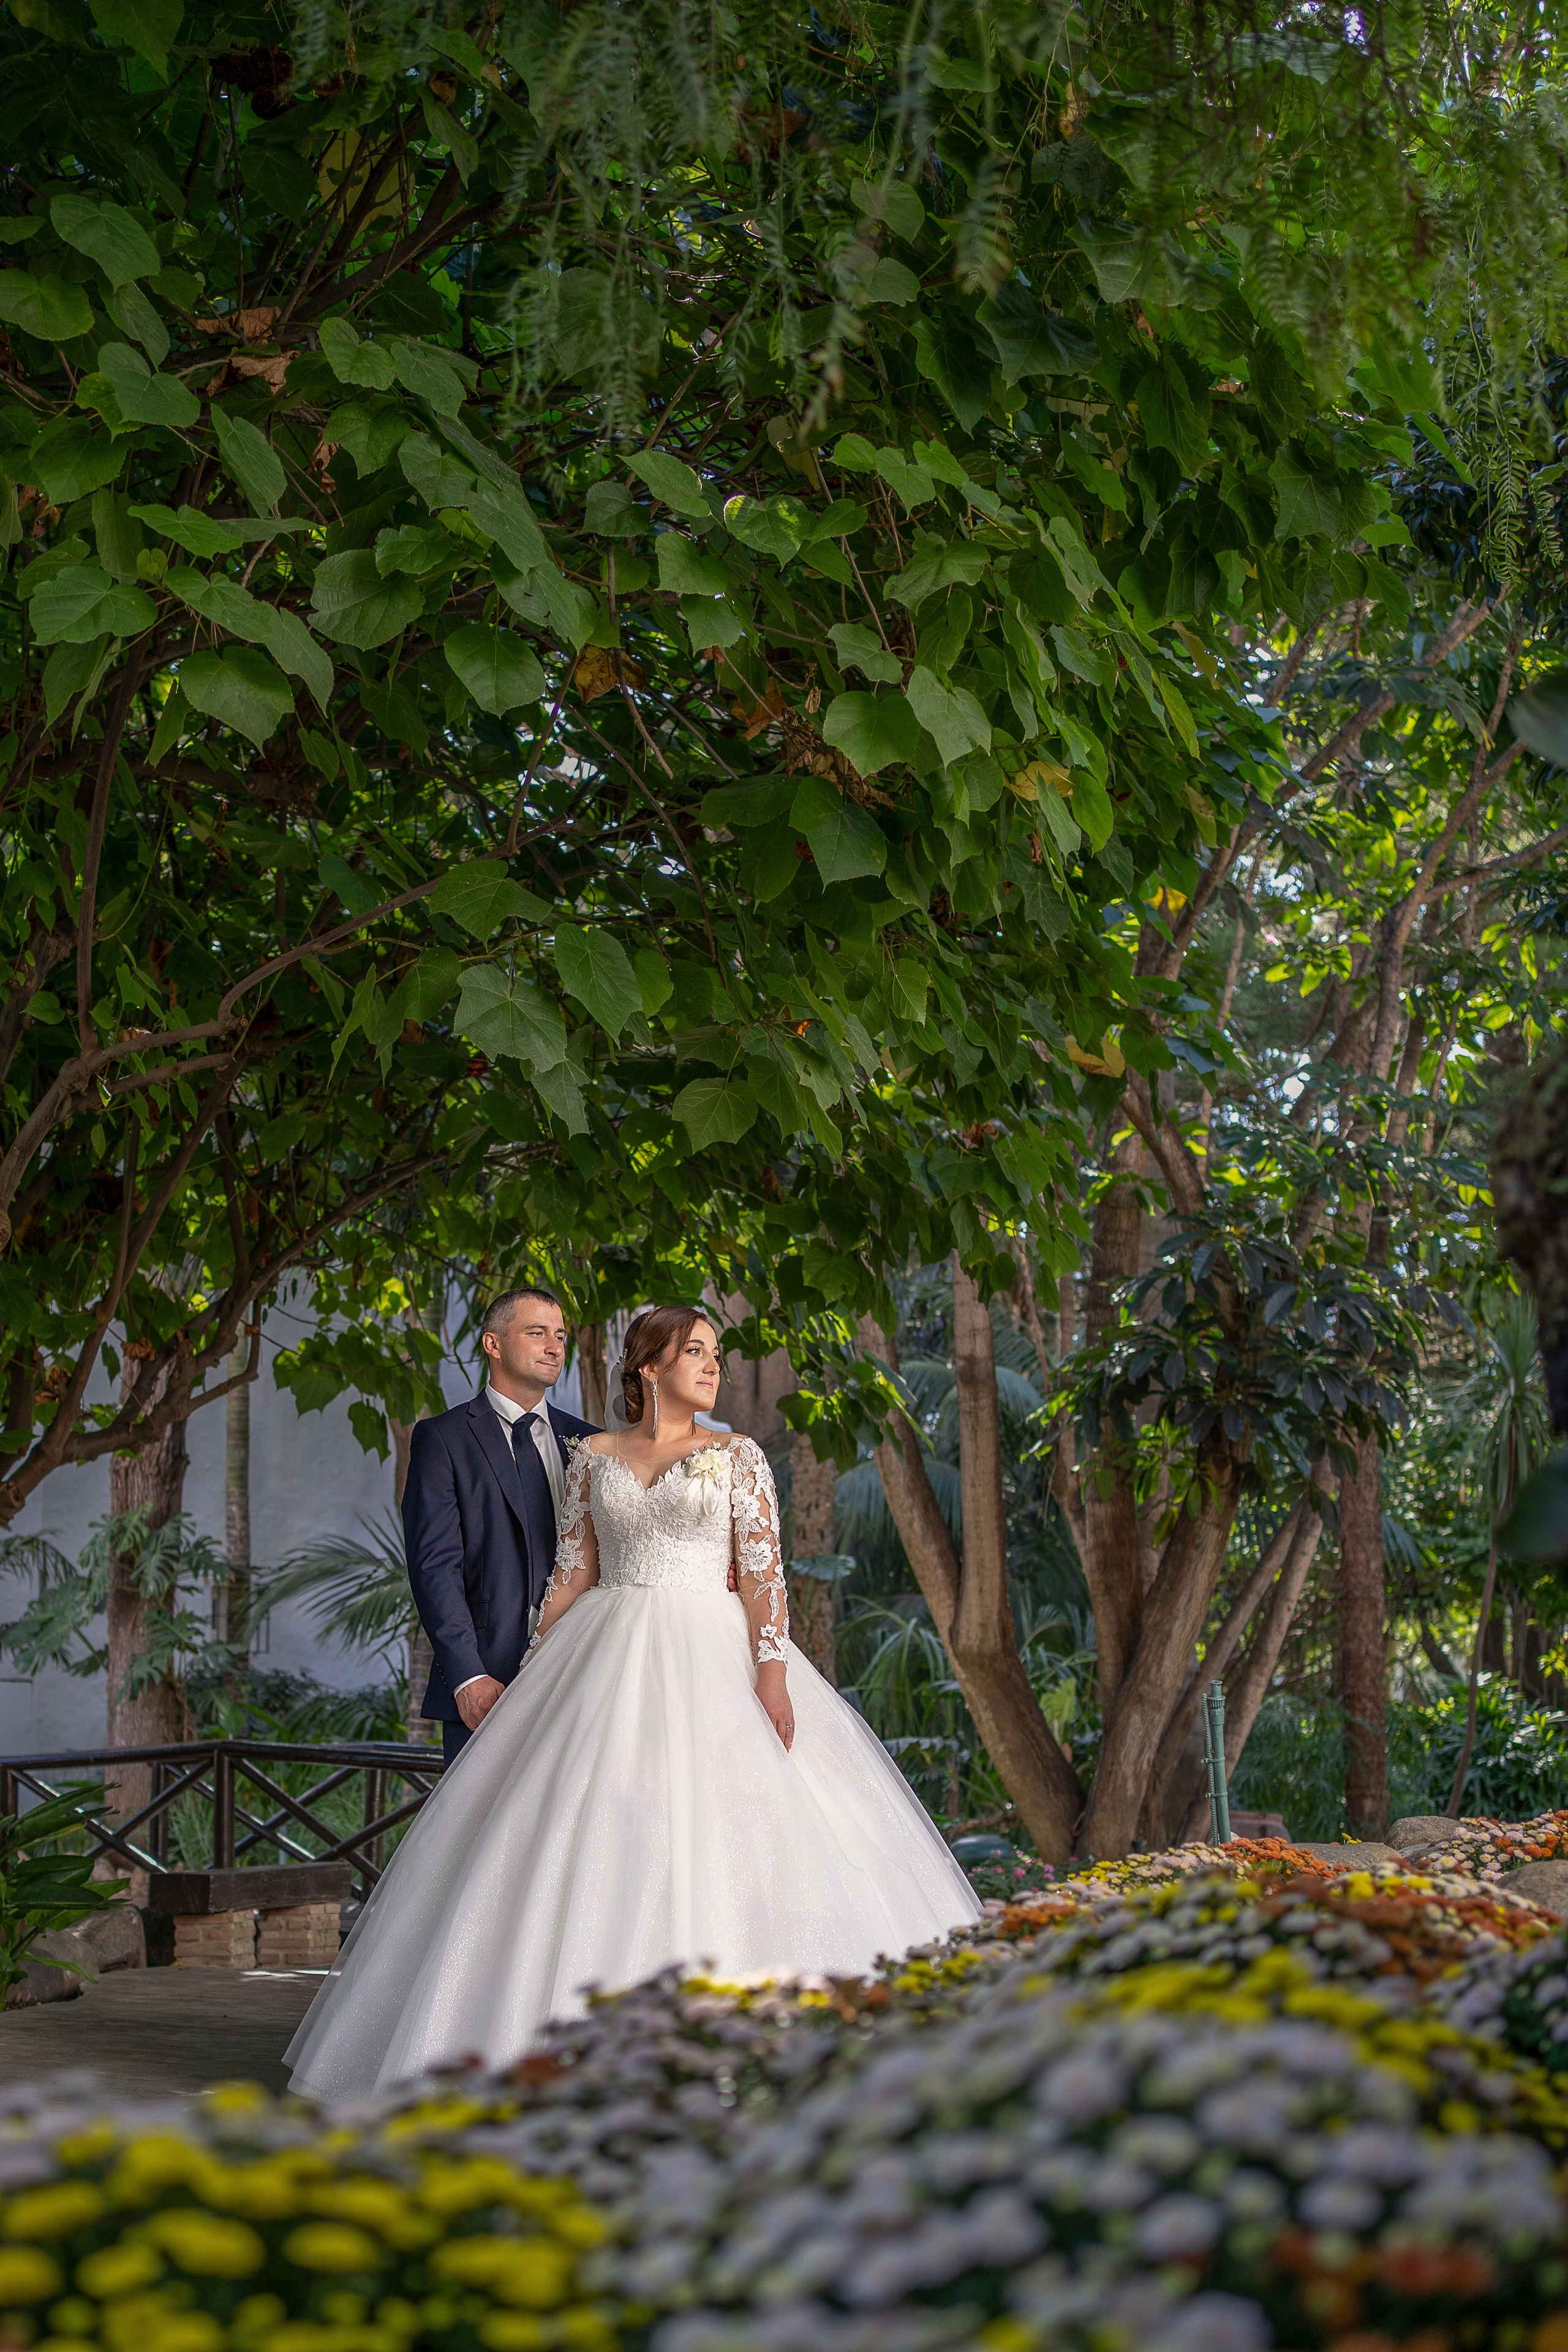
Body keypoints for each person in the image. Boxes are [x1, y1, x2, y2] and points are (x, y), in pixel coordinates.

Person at [286, 1304, 981, 2095]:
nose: (712, 1366)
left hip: (711, 1651)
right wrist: (536, 1670)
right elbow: (572, 1572)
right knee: (592, 1827)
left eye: (715, 1353)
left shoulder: (736, 1454)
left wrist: (772, 1672)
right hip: (602, 1648)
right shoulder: (594, 1454)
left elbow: (763, 1573)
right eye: (695, 1351)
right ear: (649, 1367)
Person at [402, 1284, 600, 1762]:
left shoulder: (592, 1443)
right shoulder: (443, 1439)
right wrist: (467, 1676)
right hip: (487, 1687)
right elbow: (434, 1567)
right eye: (537, 1333)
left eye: (560, 1336)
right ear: (493, 1343)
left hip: (587, 1676)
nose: (555, 1347)